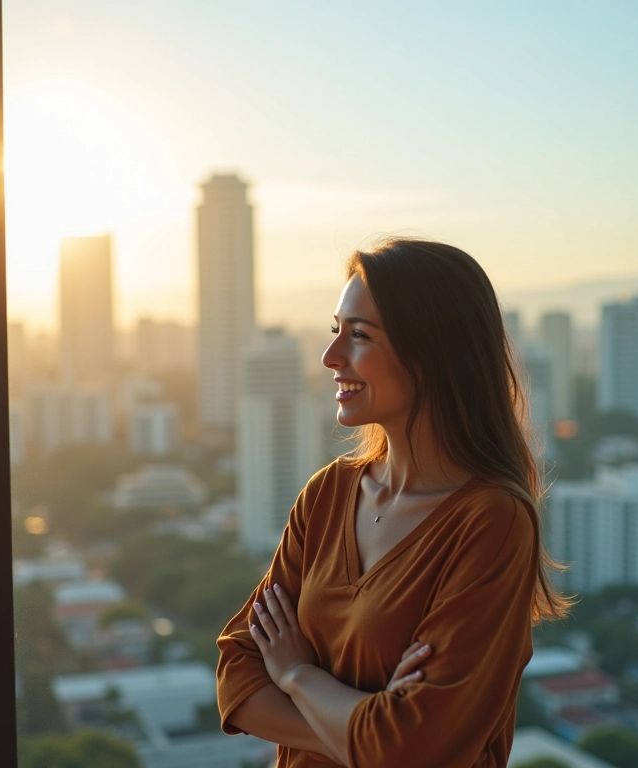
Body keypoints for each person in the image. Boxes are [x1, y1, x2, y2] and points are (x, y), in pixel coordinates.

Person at [216, 238, 569, 768]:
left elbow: (415, 748)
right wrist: (368, 731)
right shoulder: (327, 494)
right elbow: (237, 678)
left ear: (431, 354)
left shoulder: (491, 522)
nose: (330, 357)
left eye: (359, 336)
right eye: (337, 331)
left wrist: (295, 674)